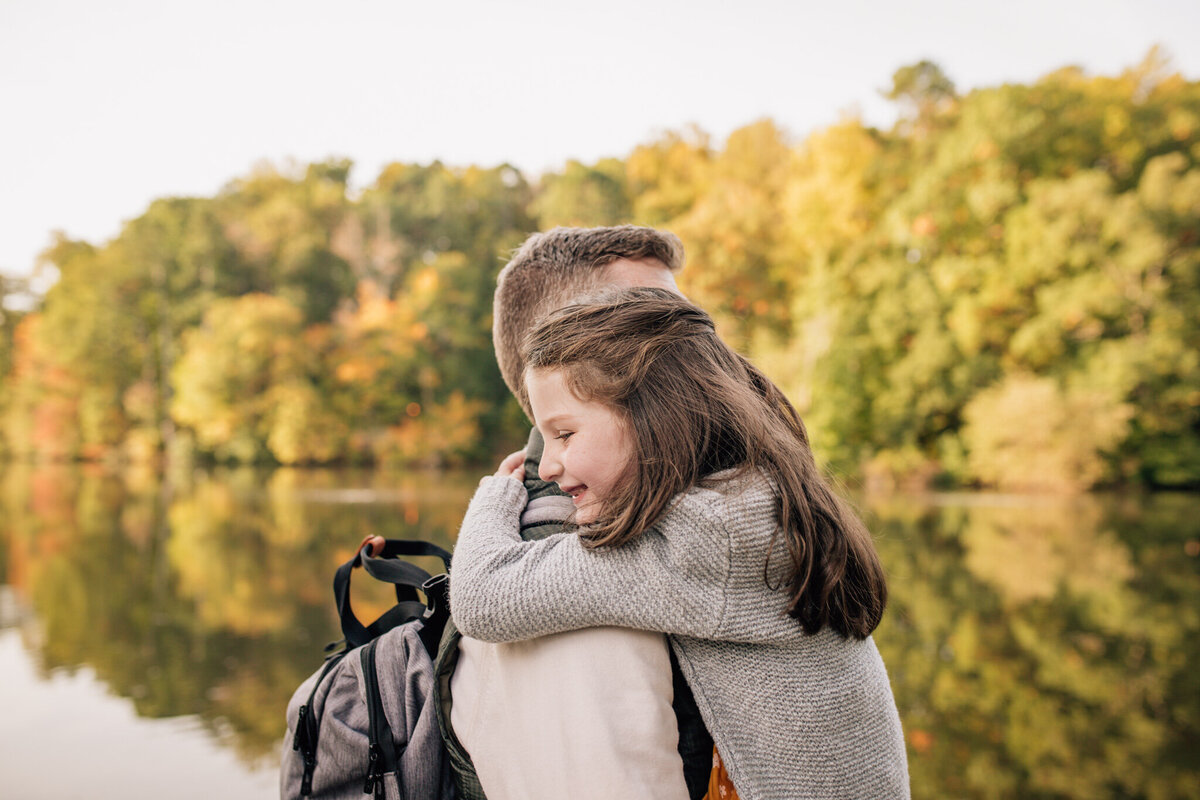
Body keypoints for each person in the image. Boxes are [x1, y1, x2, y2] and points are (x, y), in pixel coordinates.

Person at [450, 287, 911, 799]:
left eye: (563, 434)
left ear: (653, 417)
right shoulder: (753, 495)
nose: (549, 463)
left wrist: (498, 494)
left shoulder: (708, 538)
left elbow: (484, 599)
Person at [368, 226, 712, 799]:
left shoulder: (657, 521)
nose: (701, 348)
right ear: (566, 347)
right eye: (654, 322)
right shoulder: (559, 581)